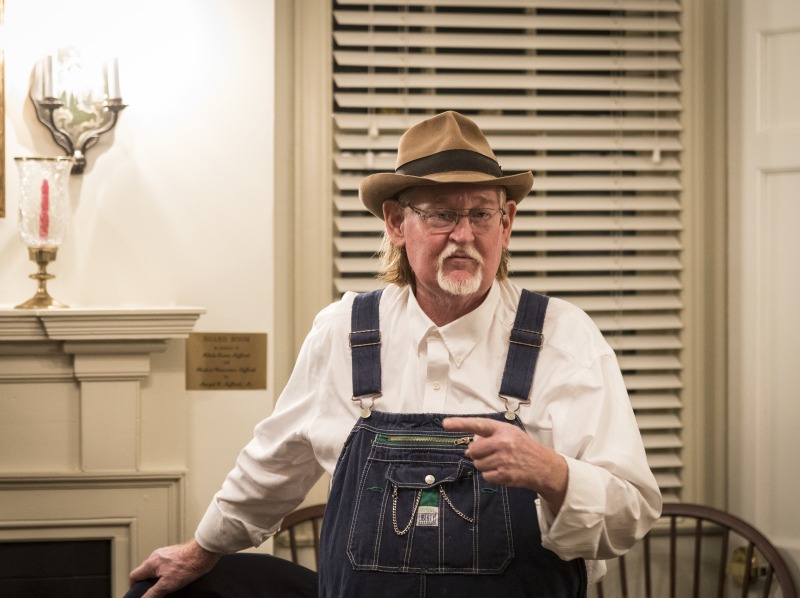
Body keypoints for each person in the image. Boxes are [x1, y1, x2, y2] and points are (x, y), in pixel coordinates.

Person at [130, 111, 661, 597]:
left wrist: (553, 473)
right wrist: (202, 550)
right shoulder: (343, 331)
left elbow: (631, 511)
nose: (463, 236)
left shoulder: (565, 337)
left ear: (508, 222)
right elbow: (275, 464)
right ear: (394, 222)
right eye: (441, 216)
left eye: (481, 214)